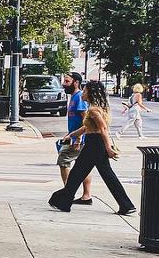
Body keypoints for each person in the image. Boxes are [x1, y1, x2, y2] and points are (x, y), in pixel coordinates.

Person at [48, 80, 136, 215]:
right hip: (94, 143)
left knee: (78, 174)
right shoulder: (96, 108)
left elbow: (103, 128)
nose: (82, 93)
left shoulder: (94, 110)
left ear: (91, 93)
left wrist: (108, 148)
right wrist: (72, 135)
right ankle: (126, 205)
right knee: (100, 174)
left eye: (85, 91)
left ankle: (64, 201)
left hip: (95, 144)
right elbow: (87, 127)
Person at [57, 72, 93, 205]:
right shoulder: (73, 97)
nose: (64, 84)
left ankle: (68, 193)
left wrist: (78, 139)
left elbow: (86, 121)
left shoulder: (79, 97)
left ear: (76, 82)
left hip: (79, 139)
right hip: (75, 137)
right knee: (84, 166)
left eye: (67, 81)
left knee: (63, 160)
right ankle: (86, 195)